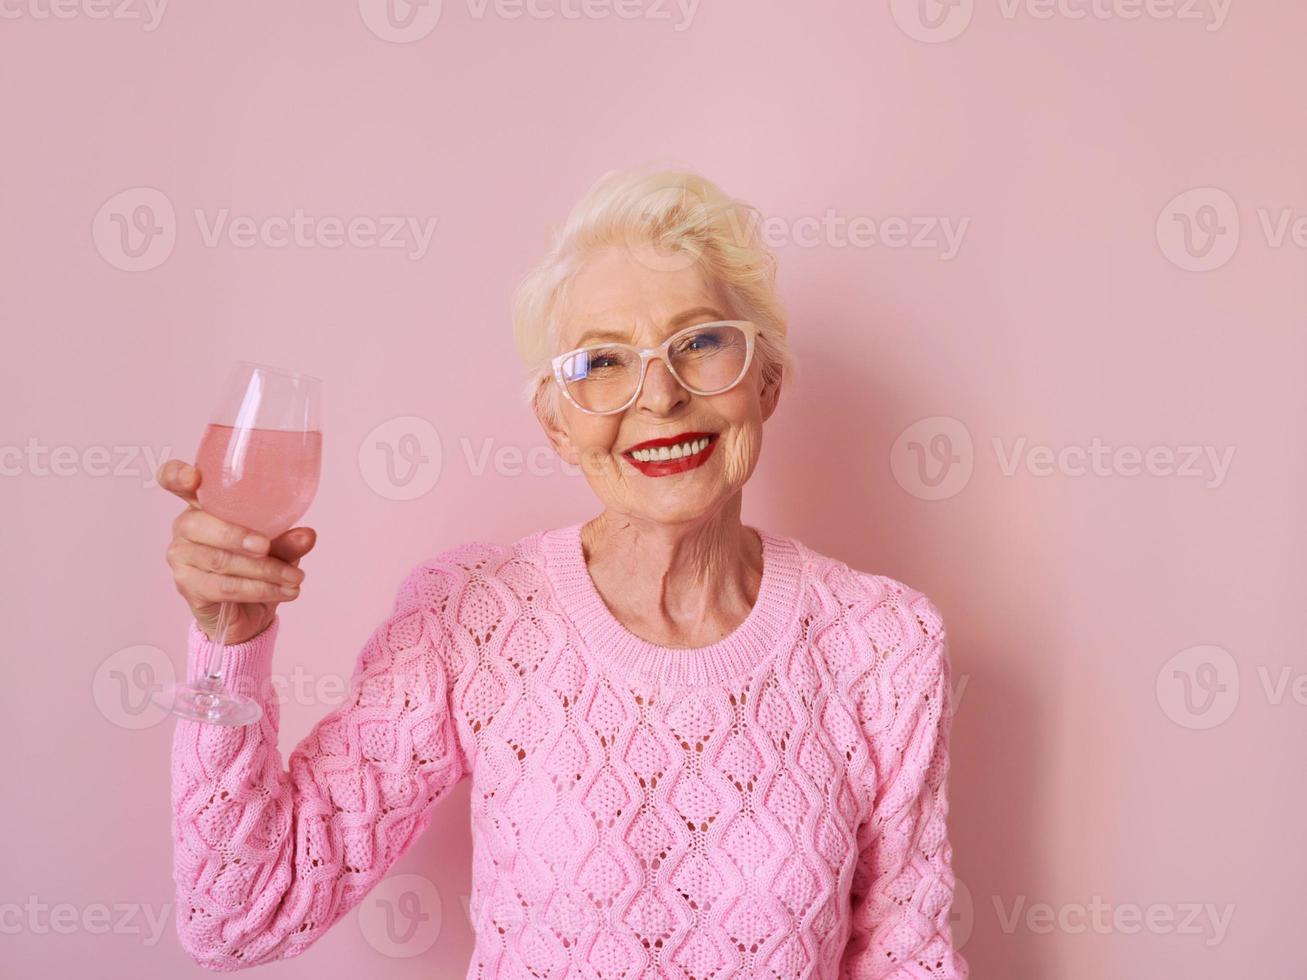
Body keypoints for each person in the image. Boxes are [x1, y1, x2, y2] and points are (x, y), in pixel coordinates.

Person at [160, 167, 969, 978]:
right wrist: (231, 640)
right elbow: (238, 915)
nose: (659, 396)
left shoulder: (881, 644)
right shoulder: (475, 616)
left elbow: (906, 959)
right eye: (602, 363)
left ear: (766, 382)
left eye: (701, 342)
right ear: (555, 422)